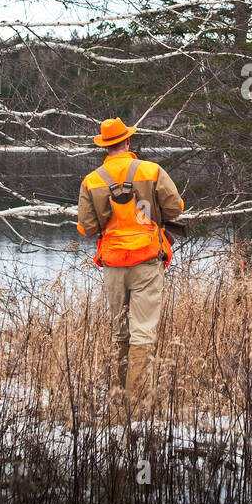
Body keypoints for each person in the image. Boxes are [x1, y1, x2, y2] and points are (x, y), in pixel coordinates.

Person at [76, 117, 184, 413]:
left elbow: (86, 227)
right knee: (143, 332)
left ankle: (117, 402)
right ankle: (136, 406)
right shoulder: (151, 171)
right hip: (147, 261)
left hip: (113, 263)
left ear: (104, 146)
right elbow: (175, 208)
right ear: (127, 142)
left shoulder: (92, 180)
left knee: (119, 331)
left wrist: (106, 218)